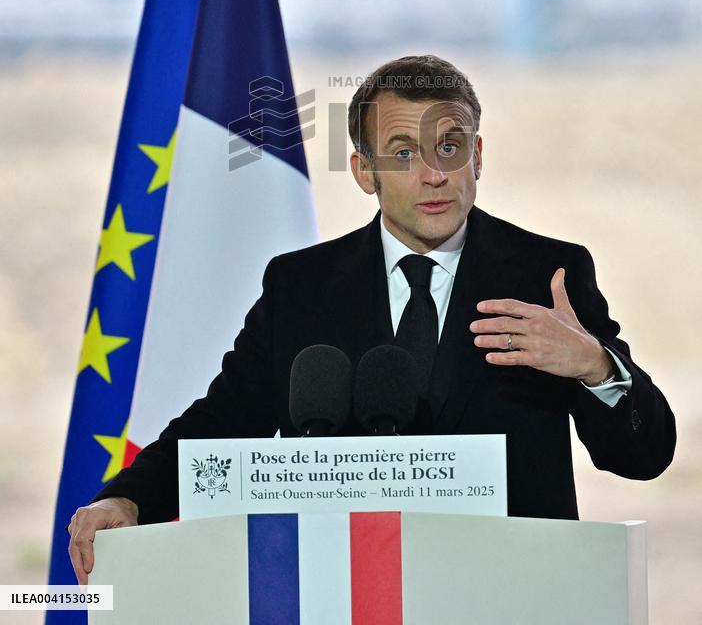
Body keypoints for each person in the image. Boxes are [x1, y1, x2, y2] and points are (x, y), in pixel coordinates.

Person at [68, 54, 676, 583]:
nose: (433, 173)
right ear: (365, 171)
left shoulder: (549, 274)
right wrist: (128, 496)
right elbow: (225, 419)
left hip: (513, 592)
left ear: (478, 155)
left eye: (450, 146)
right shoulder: (302, 287)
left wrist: (597, 368)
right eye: (403, 152)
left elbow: (645, 456)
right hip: (351, 590)